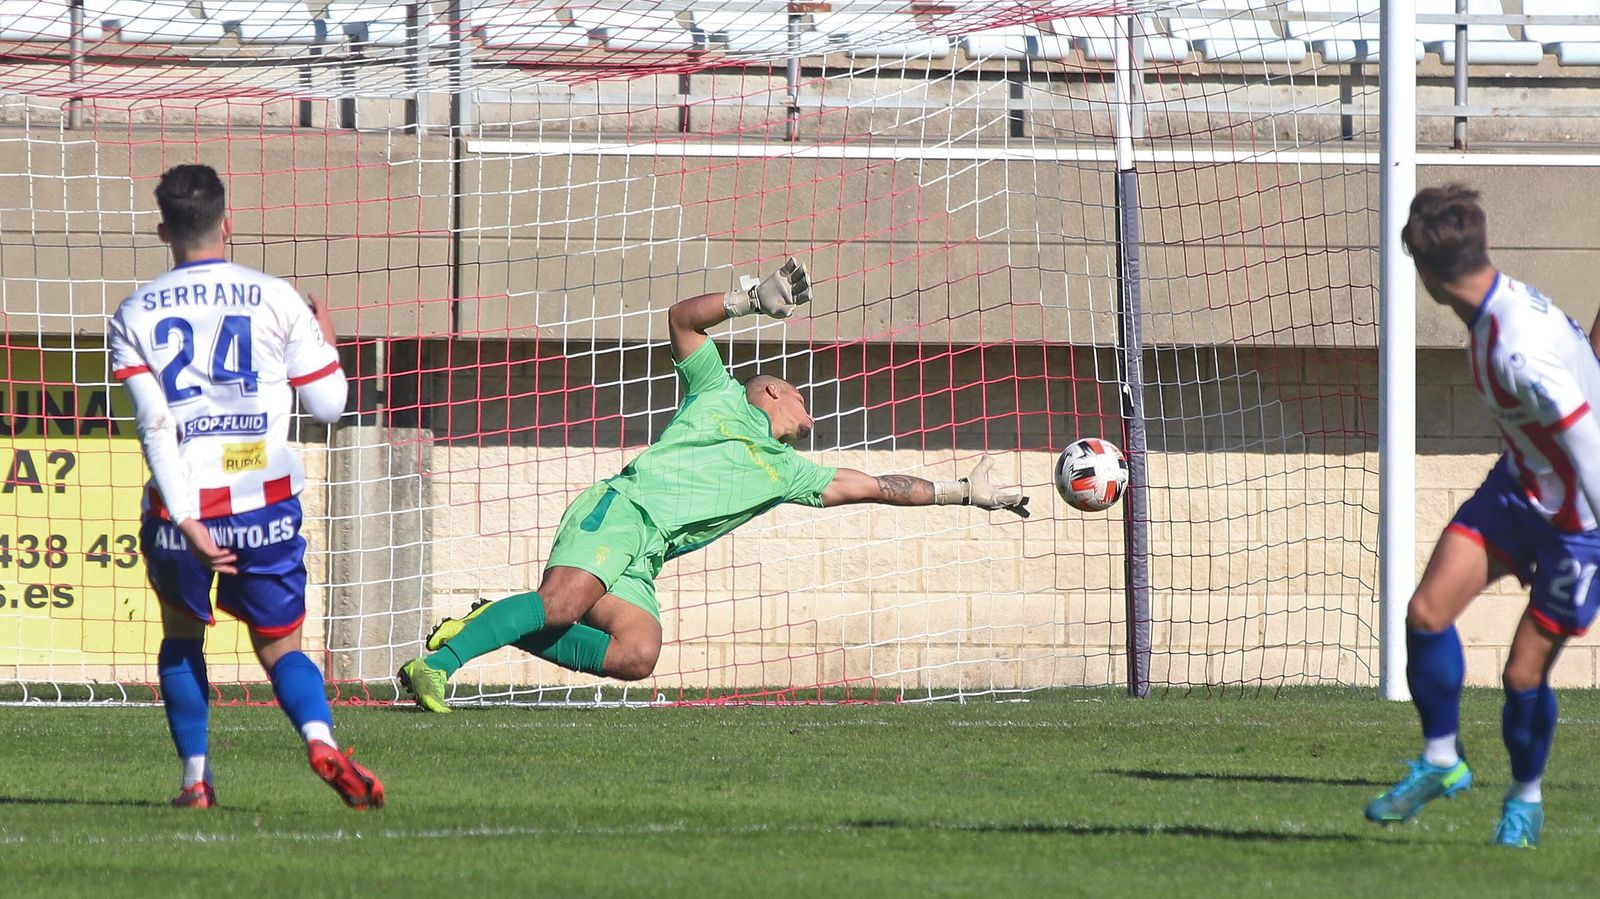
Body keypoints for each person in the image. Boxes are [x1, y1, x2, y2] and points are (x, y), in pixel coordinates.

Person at [399, 259, 1030, 710]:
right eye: (802, 399)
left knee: (636, 655)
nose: (810, 415)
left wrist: (961, 493)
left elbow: (875, 485)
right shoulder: (718, 393)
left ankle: (489, 619)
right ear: (773, 392)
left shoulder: (789, 472)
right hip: (623, 510)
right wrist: (751, 300)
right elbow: (682, 321)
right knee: (561, 604)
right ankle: (437, 665)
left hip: (646, 554)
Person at [108, 164, 384, 810]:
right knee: (280, 644)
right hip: (263, 503)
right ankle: (319, 738)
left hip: (184, 511)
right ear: (228, 223)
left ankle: (195, 780)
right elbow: (329, 405)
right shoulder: (277, 297)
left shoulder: (134, 313)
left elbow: (153, 422)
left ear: (163, 231)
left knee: (181, 635)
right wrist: (327, 335)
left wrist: (186, 519)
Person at [1364, 184, 1600, 847]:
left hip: (1580, 523)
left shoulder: (1516, 350)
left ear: (1428, 276)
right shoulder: (1498, 304)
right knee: (1426, 612)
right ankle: (1443, 759)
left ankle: (1524, 800)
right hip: (1519, 486)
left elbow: (1591, 447)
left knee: (1522, 673)